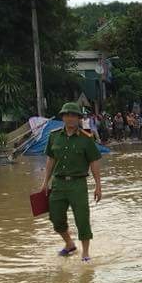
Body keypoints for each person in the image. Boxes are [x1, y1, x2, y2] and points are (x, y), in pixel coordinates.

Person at [39, 102, 102, 263]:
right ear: (63, 117)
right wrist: (45, 182)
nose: (70, 118)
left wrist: (98, 185)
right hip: (58, 184)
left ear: (79, 118)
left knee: (82, 218)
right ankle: (69, 244)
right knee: (55, 218)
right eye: (67, 115)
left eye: (74, 115)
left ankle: (85, 253)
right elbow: (50, 159)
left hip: (78, 184)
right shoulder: (54, 136)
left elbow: (94, 162)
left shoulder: (86, 139)